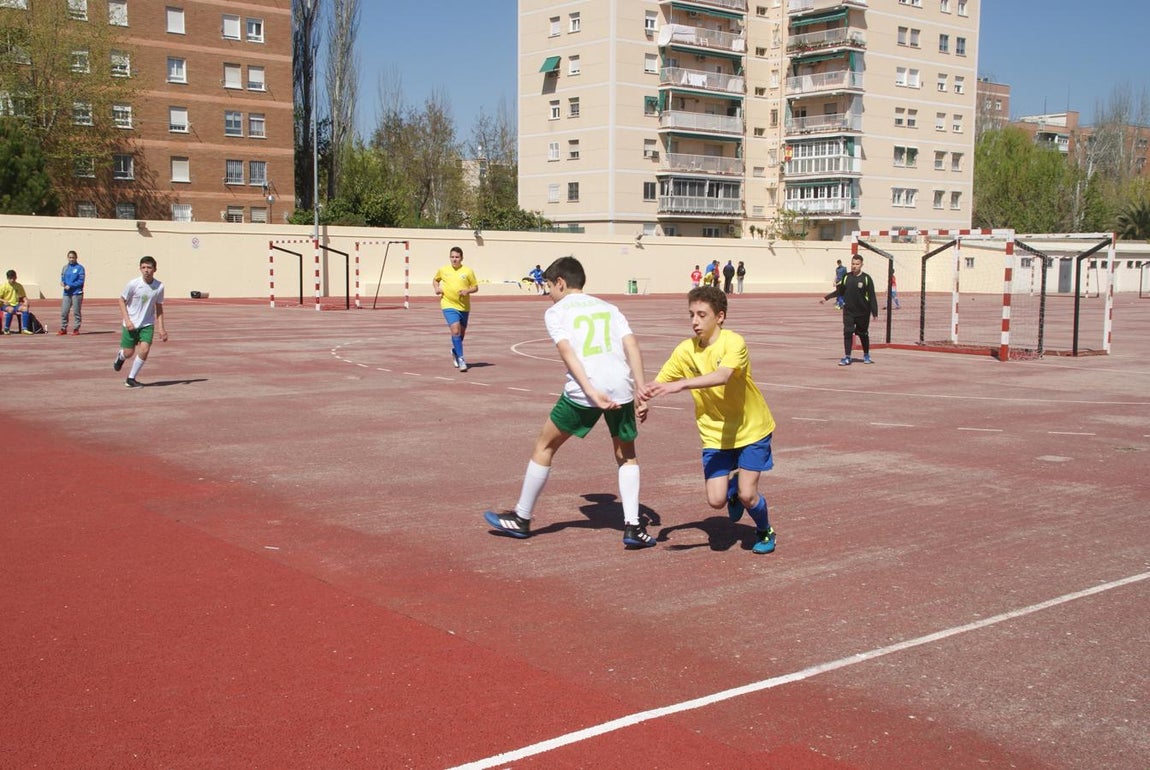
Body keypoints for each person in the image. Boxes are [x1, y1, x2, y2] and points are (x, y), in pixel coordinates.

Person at [483, 256, 656, 549]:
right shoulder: (610, 308)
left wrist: (590, 391)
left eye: (548, 287)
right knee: (626, 454)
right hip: (621, 386)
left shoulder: (557, 312)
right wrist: (640, 389)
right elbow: (632, 345)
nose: (548, 293)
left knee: (545, 445)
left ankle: (522, 518)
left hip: (586, 391)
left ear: (560, 283)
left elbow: (567, 351)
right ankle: (633, 527)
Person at [640, 286, 778, 555]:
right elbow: (659, 383)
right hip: (715, 434)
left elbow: (723, 375)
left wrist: (680, 386)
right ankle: (732, 490)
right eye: (691, 314)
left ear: (720, 316)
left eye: (702, 315)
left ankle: (764, 530)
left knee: (749, 495)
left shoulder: (733, 342)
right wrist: (643, 399)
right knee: (715, 501)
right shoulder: (684, 350)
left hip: (750, 428)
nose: (694, 321)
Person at [113, 256, 168, 387]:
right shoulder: (133, 284)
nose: (146, 270)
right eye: (143, 267)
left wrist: (161, 328)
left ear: (155, 269)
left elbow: (159, 307)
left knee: (144, 349)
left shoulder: (159, 286)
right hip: (131, 323)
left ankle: (131, 379)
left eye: (149, 267)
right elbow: (121, 300)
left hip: (147, 324)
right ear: (140, 269)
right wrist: (127, 320)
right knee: (129, 352)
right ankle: (121, 356)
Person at [820, 254, 879, 366]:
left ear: (862, 264)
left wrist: (874, 312)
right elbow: (839, 291)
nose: (854, 266)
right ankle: (847, 357)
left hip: (863, 312)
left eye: (857, 264)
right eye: (853, 263)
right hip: (848, 311)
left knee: (863, 334)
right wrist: (826, 297)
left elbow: (872, 296)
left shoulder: (866, 278)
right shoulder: (846, 277)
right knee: (847, 332)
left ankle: (866, 355)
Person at [432, 246, 478, 372]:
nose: (454, 259)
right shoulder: (443, 270)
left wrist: (467, 290)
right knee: (455, 330)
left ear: (461, 258)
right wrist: (437, 289)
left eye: (457, 257)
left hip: (464, 307)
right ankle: (461, 359)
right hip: (448, 304)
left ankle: (455, 351)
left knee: (460, 335)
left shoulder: (468, 271)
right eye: (452, 257)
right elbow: (435, 280)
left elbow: (475, 287)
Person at [59, 250, 85, 335]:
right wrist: (62, 283)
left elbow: (81, 281)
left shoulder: (80, 268)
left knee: (76, 312)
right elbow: (62, 277)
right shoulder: (65, 267)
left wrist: (71, 285)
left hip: (77, 293)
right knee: (64, 311)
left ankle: (76, 328)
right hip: (67, 293)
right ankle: (63, 328)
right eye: (70, 257)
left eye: (73, 257)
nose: (71, 259)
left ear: (76, 258)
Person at [1, 269, 33, 334]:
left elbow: (23, 296)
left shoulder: (19, 286)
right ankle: (6, 329)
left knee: (25, 308)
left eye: (14, 278)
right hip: (4, 305)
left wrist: (26, 301)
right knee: (11, 309)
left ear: (16, 277)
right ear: (7, 278)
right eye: (10, 278)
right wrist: (3, 300)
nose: (12, 280)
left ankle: (24, 329)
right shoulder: (3, 286)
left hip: (15, 305)